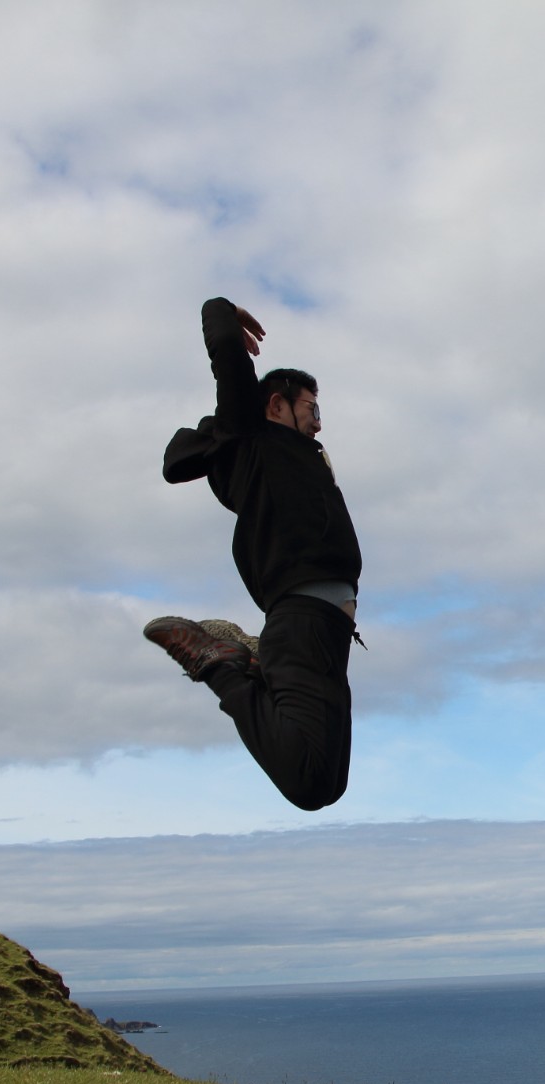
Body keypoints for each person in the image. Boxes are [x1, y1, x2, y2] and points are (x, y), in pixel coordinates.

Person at [144, 296, 363, 811]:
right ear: (275, 405)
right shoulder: (253, 435)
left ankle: (251, 658)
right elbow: (222, 343)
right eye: (311, 409)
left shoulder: (301, 455)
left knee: (329, 785)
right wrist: (225, 312)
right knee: (308, 784)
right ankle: (217, 661)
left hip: (329, 631)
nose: (319, 423)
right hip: (301, 619)